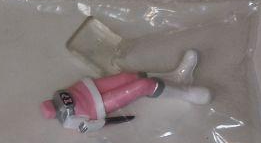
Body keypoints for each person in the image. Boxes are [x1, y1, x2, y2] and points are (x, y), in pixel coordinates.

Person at [40, 49, 211, 133]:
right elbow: (90, 125)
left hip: (92, 86)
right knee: (144, 86)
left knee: (130, 76)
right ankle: (186, 93)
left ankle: (175, 76)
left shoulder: (58, 95)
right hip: (100, 104)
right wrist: (91, 125)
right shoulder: (67, 120)